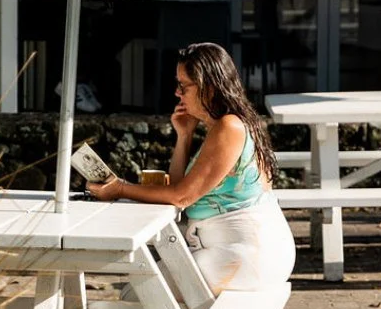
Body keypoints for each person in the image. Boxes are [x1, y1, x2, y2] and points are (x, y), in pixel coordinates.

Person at [88, 41, 296, 294]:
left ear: (208, 88)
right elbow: (179, 190)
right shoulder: (228, 125)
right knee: (140, 294)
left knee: (138, 295)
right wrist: (184, 136)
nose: (177, 93)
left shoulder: (229, 128)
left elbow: (181, 197)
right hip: (249, 250)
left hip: (250, 254)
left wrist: (120, 188)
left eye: (183, 85)